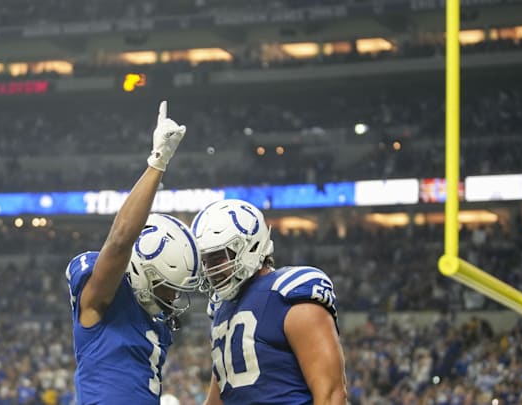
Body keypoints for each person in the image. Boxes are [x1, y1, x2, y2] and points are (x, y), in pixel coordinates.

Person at [65, 101, 201, 404]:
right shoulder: (99, 304)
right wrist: (158, 162)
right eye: (168, 287)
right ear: (143, 272)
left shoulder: (154, 321)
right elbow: (119, 241)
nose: (173, 298)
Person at [190, 199, 348, 405]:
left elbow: (331, 396)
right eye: (205, 261)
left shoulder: (289, 294)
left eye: (218, 258)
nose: (211, 270)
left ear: (249, 247)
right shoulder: (221, 308)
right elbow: (220, 397)